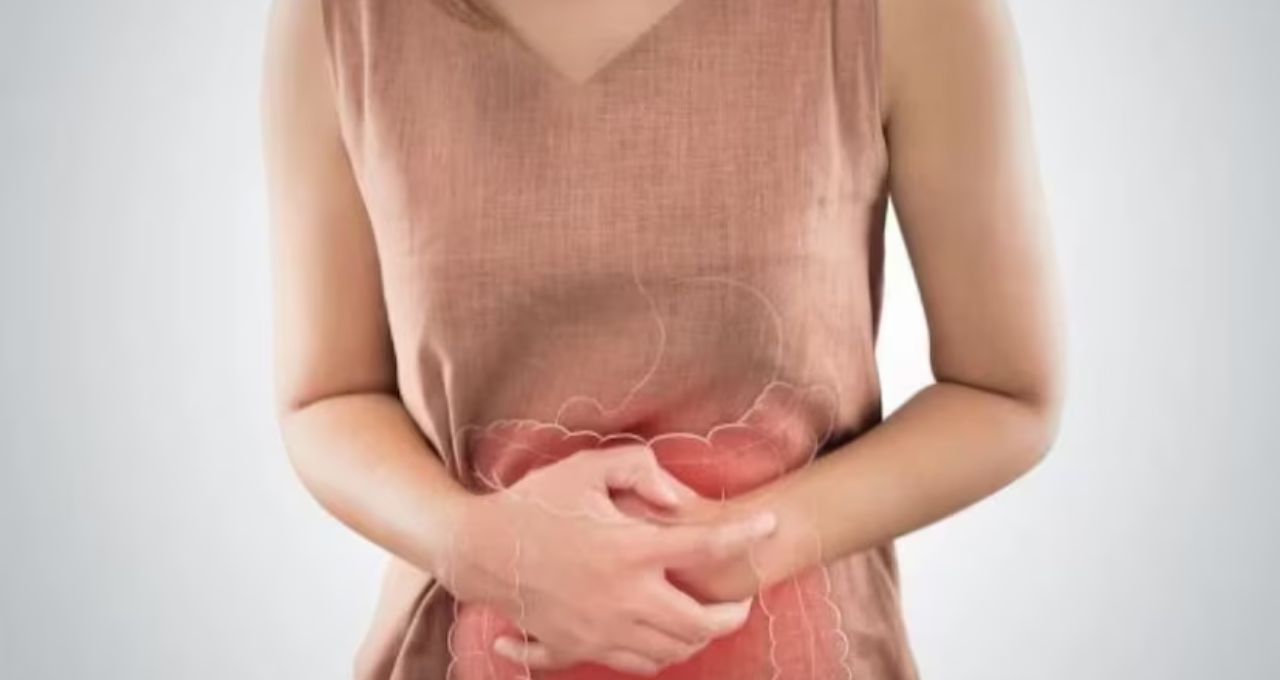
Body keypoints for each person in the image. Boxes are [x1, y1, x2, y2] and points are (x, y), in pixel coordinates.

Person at [259, 0, 1065, 677]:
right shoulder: (338, 19)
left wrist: (744, 547)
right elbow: (327, 397)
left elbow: (1005, 392)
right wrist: (474, 545)